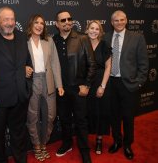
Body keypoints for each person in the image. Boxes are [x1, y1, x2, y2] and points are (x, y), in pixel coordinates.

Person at [0, 6, 32, 163]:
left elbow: (27, 62)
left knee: (19, 135)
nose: (10, 23)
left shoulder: (22, 37)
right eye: (6, 19)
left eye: (12, 19)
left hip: (20, 97)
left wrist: (27, 80)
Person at [103, 10, 148, 160]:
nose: (119, 22)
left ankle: (128, 144)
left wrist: (139, 82)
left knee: (128, 117)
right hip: (111, 83)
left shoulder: (137, 38)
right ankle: (117, 141)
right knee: (114, 116)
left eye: (122, 20)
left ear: (126, 20)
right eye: (116, 20)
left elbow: (143, 63)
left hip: (128, 84)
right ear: (111, 22)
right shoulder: (106, 37)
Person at [53, 10, 96, 163]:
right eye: (62, 20)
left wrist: (87, 85)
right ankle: (67, 144)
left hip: (78, 89)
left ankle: (84, 151)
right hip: (61, 89)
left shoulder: (83, 38)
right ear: (57, 24)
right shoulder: (54, 40)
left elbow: (92, 64)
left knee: (81, 121)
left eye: (69, 19)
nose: (67, 22)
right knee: (64, 119)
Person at [25, 14, 64, 162]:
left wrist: (59, 84)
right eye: (36, 22)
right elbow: (18, 61)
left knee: (50, 116)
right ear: (31, 24)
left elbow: (55, 64)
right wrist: (23, 68)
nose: (39, 25)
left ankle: (44, 142)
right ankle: (36, 145)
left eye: (42, 23)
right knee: (33, 116)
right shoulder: (24, 42)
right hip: (32, 81)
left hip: (48, 81)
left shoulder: (49, 41)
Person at [85, 20, 112, 155]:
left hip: (100, 81)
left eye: (97, 29)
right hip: (86, 82)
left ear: (100, 32)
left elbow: (108, 67)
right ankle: (85, 140)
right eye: (92, 28)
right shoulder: (82, 43)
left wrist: (102, 86)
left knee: (101, 111)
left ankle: (99, 140)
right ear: (87, 29)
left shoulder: (104, 45)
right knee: (88, 111)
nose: (94, 31)